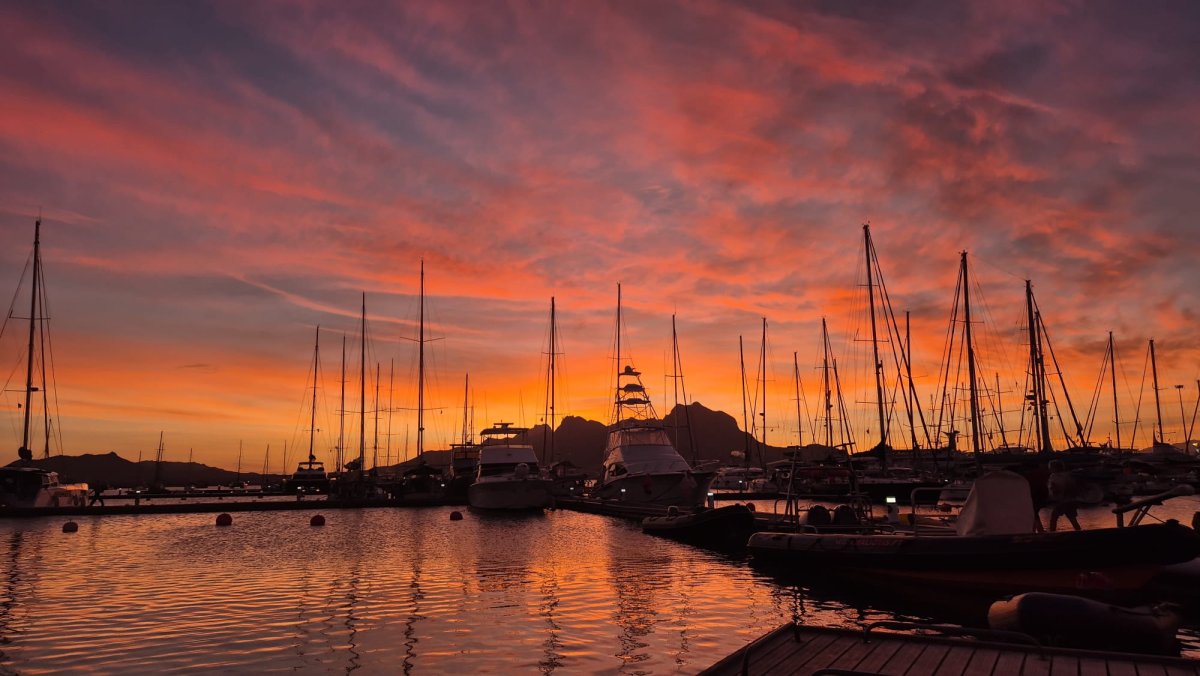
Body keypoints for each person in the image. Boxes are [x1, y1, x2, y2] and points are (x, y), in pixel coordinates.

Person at [1047, 460, 1081, 531]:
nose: (1049, 469)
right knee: (1072, 518)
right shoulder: (1068, 476)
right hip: (1070, 501)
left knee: (1054, 517)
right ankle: (1079, 531)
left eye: (1051, 467)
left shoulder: (1056, 476)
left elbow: (1056, 488)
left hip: (1063, 501)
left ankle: (1052, 532)